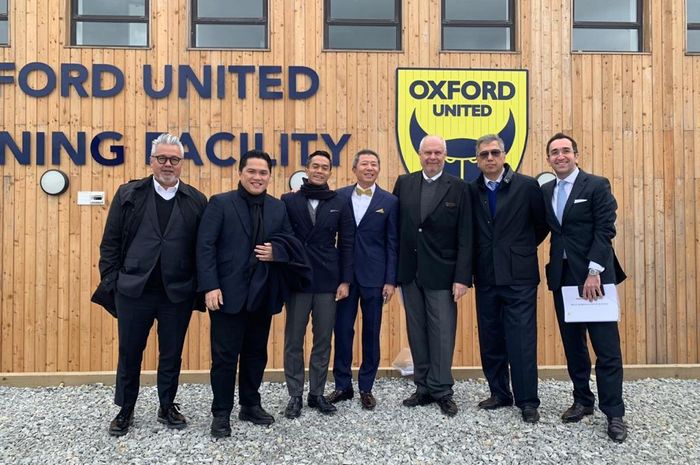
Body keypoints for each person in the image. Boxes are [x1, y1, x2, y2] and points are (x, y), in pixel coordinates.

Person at [95, 133, 207, 437]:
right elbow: (110, 243)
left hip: (177, 293)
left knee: (172, 353)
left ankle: (167, 405)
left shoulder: (196, 200)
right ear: (151, 161)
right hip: (134, 291)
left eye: (174, 159)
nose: (168, 164)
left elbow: (203, 249)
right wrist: (112, 281)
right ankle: (125, 409)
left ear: (182, 164)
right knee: (130, 352)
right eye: (162, 158)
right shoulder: (128, 194)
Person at [196, 150, 310, 438]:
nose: (257, 177)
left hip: (262, 294)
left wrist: (278, 251)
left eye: (263, 173)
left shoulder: (277, 207)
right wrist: (210, 285)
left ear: (269, 177)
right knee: (224, 358)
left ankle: (250, 405)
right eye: (252, 171)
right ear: (240, 173)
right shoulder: (220, 203)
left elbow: (290, 240)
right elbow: (205, 246)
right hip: (226, 295)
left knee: (255, 354)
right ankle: (221, 414)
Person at [542, 132, 628, 442]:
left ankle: (614, 413)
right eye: (554, 152)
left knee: (606, 349)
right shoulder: (547, 190)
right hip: (562, 278)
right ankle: (582, 400)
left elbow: (605, 229)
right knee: (573, 346)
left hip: (595, 278)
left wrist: (594, 270)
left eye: (565, 150)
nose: (560, 156)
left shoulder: (596, 185)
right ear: (549, 159)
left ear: (576, 155)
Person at [469, 134, 549, 423]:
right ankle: (499, 392)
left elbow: (540, 226)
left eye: (494, 153)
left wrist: (519, 250)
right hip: (487, 276)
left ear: (504, 155)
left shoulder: (527, 186)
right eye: (483, 155)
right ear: (476, 161)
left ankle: (527, 400)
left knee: (522, 340)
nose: (489, 158)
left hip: (519, 277)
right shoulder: (472, 190)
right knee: (491, 338)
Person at [392, 135, 473, 417]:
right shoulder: (404, 183)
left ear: (446, 155)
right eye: (428, 152)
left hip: (443, 273)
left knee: (442, 332)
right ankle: (423, 386)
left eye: (438, 152)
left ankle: (442, 388)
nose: (433, 157)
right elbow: (396, 229)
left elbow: (466, 235)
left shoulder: (460, 187)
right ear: (419, 154)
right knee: (417, 330)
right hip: (410, 272)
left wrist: (462, 277)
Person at [281, 150, 355, 419]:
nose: (319, 170)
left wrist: (345, 280)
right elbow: (284, 238)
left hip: (327, 280)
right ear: (307, 169)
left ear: (330, 171)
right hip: (298, 279)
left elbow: (347, 243)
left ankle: (317, 393)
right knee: (294, 340)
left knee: (323, 340)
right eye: (315, 166)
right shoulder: (289, 200)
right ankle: (295, 395)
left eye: (325, 167)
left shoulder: (339, 202)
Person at [326, 149, 399, 410]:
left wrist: (390, 280)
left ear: (378, 170)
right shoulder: (339, 196)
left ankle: (366, 387)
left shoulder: (389, 201)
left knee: (371, 332)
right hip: (344, 278)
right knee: (342, 330)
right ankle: (342, 385)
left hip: (375, 278)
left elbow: (393, 243)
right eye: (365, 164)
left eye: (374, 164)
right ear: (354, 169)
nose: (370, 168)